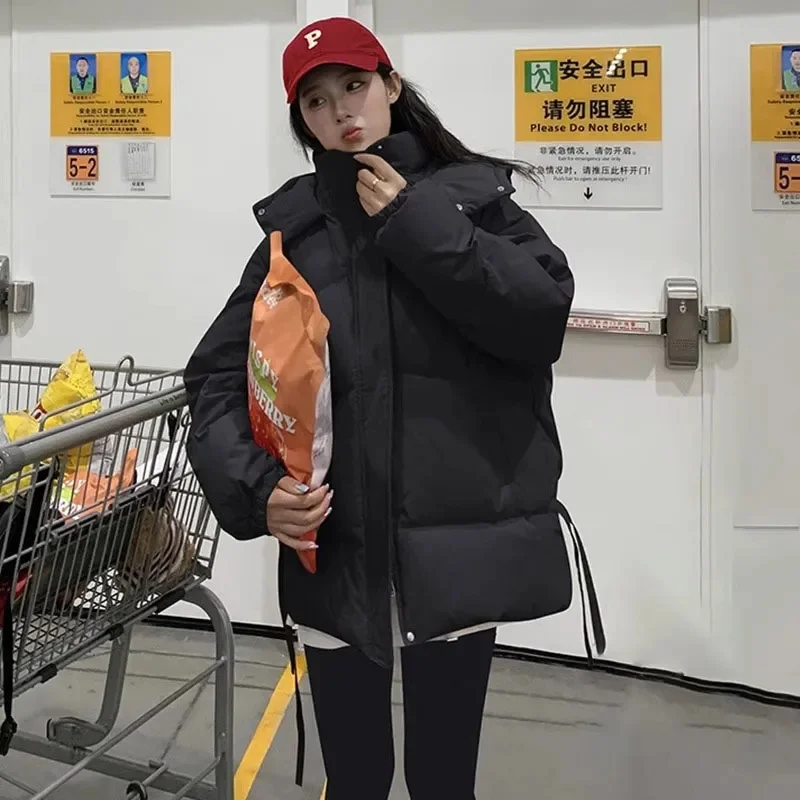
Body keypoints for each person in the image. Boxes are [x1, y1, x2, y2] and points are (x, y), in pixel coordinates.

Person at [184, 16, 604, 800]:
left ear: (391, 86)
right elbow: (213, 379)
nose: (340, 110)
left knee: (443, 778)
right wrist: (255, 490)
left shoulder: (473, 201)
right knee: (356, 778)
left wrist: (418, 225)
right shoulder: (293, 234)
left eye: (354, 86)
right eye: (315, 101)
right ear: (301, 121)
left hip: (452, 553)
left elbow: (538, 319)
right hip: (334, 555)